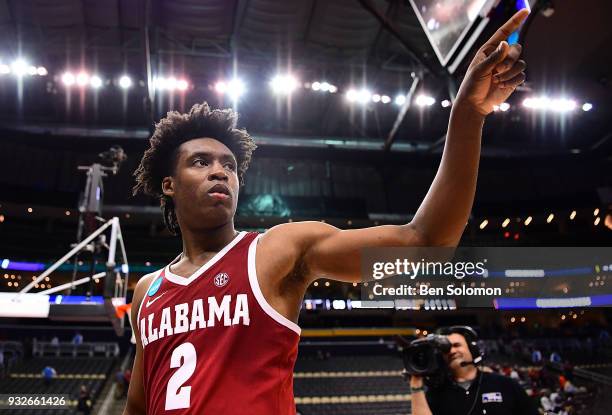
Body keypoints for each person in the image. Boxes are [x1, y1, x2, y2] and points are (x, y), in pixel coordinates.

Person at [123, 9, 530, 415]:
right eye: (200, 162)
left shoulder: (276, 251)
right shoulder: (148, 291)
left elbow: (426, 243)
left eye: (228, 165)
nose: (219, 172)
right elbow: (139, 407)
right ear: (168, 184)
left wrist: (468, 114)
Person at [409, 326, 538, 415]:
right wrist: (416, 384)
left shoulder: (506, 385)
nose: (451, 351)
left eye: (456, 345)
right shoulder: (435, 393)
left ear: (473, 350)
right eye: (446, 349)